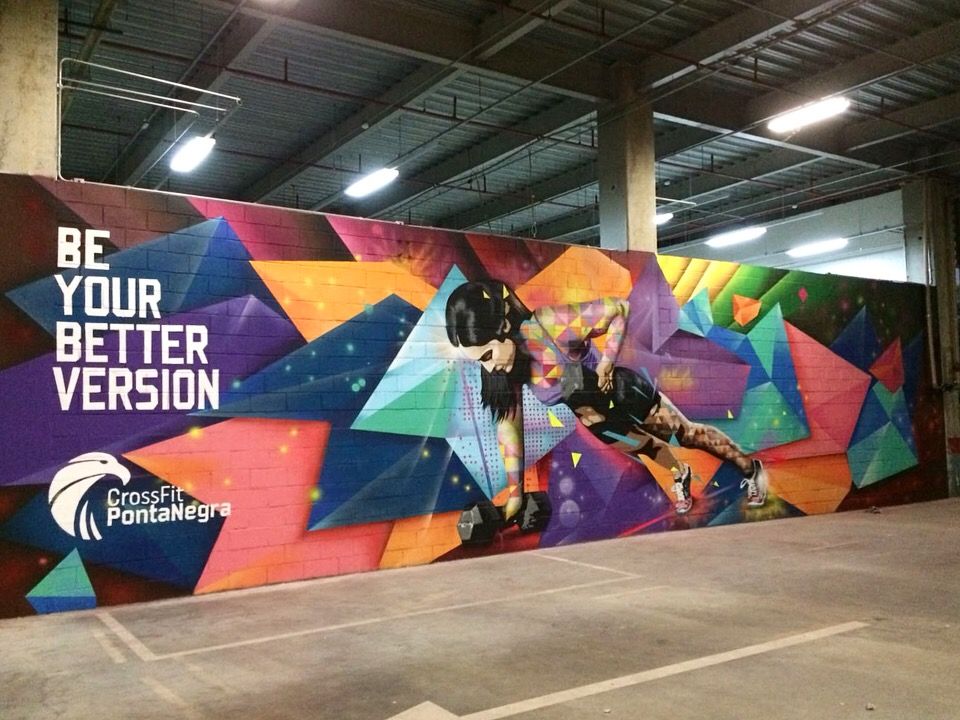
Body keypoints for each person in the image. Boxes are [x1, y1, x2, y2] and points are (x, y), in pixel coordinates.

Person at [445, 278, 768, 522]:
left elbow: (618, 309)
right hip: (597, 422)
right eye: (480, 362)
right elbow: (509, 429)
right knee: (649, 449)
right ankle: (679, 473)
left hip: (623, 393)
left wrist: (605, 364)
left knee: (687, 434)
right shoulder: (506, 372)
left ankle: (749, 468)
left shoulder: (549, 326)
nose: (489, 367)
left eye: (487, 355)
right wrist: (515, 494)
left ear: (503, 326)